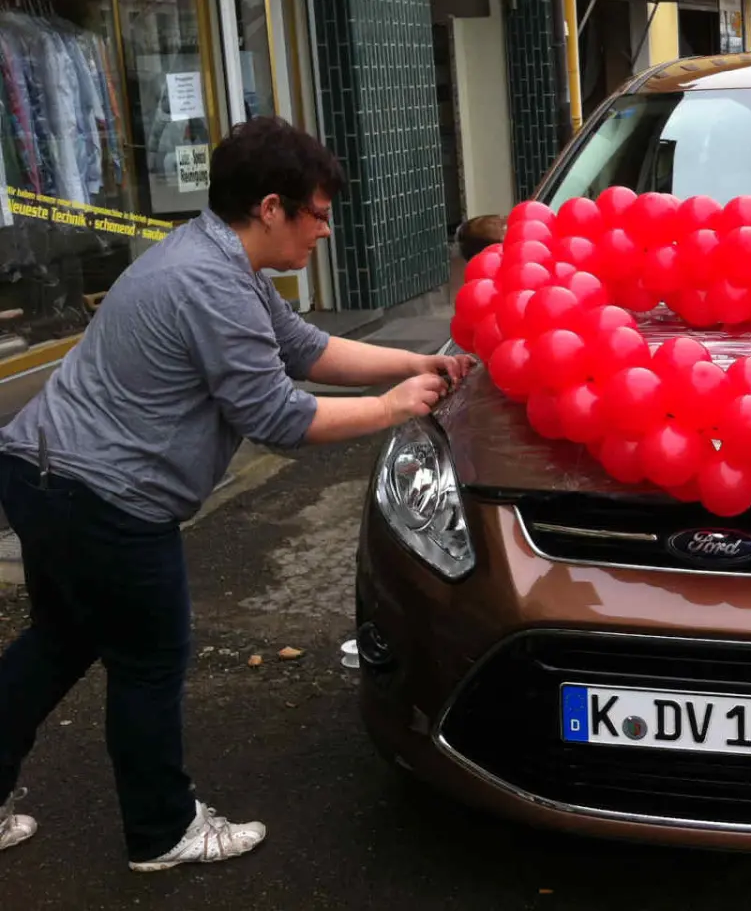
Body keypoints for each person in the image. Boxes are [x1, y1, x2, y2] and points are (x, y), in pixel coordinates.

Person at [0, 116, 472, 871]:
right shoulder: (211, 282)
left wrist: (414, 364)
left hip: (46, 472)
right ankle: (162, 831)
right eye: (318, 214)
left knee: (61, 641)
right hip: (102, 497)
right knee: (150, 660)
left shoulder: (219, 261)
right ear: (271, 207)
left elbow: (304, 348)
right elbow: (278, 417)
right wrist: (392, 408)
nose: (325, 231)